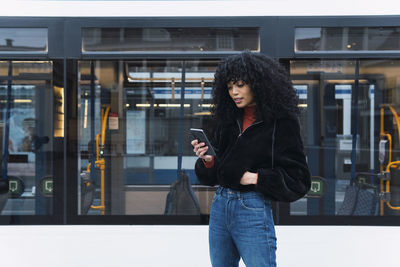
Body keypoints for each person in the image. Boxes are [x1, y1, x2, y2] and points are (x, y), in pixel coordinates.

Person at [191, 51, 311, 267]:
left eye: (240, 85)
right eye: (229, 87)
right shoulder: (227, 119)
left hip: (251, 207)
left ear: (258, 83)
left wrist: (255, 178)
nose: (234, 92)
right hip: (220, 204)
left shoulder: (282, 123)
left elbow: (299, 179)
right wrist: (208, 161)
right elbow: (216, 173)